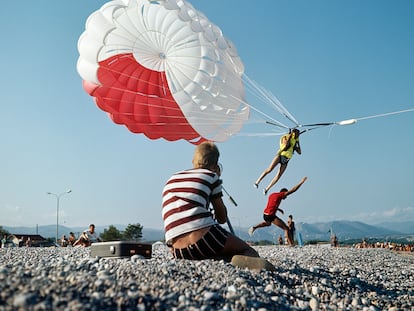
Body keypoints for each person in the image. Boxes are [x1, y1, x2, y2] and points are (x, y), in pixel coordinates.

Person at [162, 141, 274, 270]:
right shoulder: (211, 176)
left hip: (177, 250)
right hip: (205, 239)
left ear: (194, 160)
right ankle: (241, 261)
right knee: (248, 251)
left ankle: (218, 256)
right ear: (215, 165)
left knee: (213, 249)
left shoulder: (173, 178)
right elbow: (222, 218)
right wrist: (216, 181)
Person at [248, 177, 307, 245]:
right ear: (284, 193)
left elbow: (271, 204)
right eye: (286, 195)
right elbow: (293, 190)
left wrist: (278, 209)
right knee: (286, 228)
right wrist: (301, 182)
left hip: (265, 214)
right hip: (270, 215)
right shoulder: (281, 195)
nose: (286, 197)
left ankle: (254, 227)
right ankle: (291, 244)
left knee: (268, 224)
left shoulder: (272, 195)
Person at [254, 129, 302, 195]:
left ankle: (266, 189)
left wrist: (298, 141)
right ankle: (257, 182)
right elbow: (285, 146)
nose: (298, 135)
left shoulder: (295, 142)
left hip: (286, 160)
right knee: (269, 169)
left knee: (278, 176)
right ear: (293, 133)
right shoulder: (286, 137)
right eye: (297, 134)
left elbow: (300, 152)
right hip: (280, 156)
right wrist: (289, 137)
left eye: (298, 135)